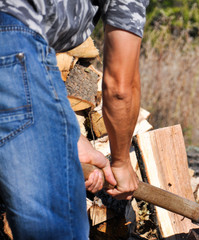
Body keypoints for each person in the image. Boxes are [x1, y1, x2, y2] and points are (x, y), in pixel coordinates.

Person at [0, 0, 148, 239]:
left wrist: (71, 138)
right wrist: (120, 162)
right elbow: (121, 87)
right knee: (57, 232)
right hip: (12, 47)